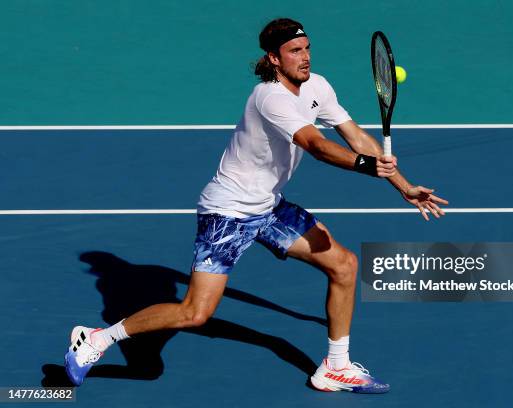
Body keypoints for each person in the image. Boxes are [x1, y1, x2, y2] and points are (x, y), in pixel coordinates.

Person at [64, 17, 448, 393]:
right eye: (294, 51)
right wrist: (368, 167)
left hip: (268, 206)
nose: (305, 57)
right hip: (228, 212)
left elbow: (354, 137)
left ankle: (336, 367)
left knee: (344, 265)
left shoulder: (319, 86)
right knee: (195, 313)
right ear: (274, 59)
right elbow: (315, 145)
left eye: (307, 48)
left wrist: (403, 186)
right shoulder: (269, 97)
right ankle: (99, 338)